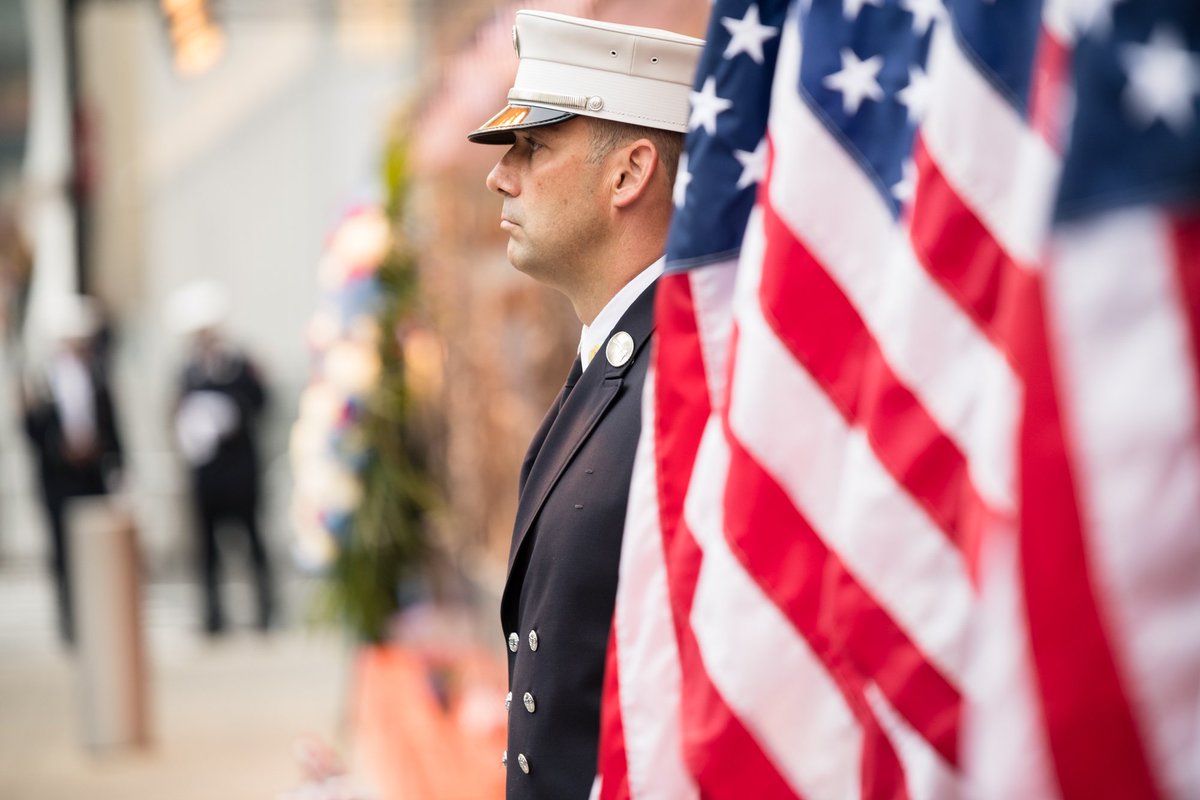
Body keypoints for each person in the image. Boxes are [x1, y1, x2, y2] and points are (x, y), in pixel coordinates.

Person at [467, 11, 703, 798]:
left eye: (534, 147)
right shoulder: (620, 360)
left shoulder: (680, 387)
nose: (502, 175)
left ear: (629, 175)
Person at [169, 281, 274, 635]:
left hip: (240, 470)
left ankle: (266, 612)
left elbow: (261, 402)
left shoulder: (240, 364)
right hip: (207, 475)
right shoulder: (188, 371)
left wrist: (231, 413)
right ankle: (213, 617)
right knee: (208, 551)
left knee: (252, 542)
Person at [20, 293, 125, 646]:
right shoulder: (42, 381)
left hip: (92, 476)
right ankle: (70, 625)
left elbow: (114, 426)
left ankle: (97, 619)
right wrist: (59, 447)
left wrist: (115, 463)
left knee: (97, 553)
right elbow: (32, 431)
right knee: (63, 553)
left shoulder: (96, 376)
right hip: (58, 480)